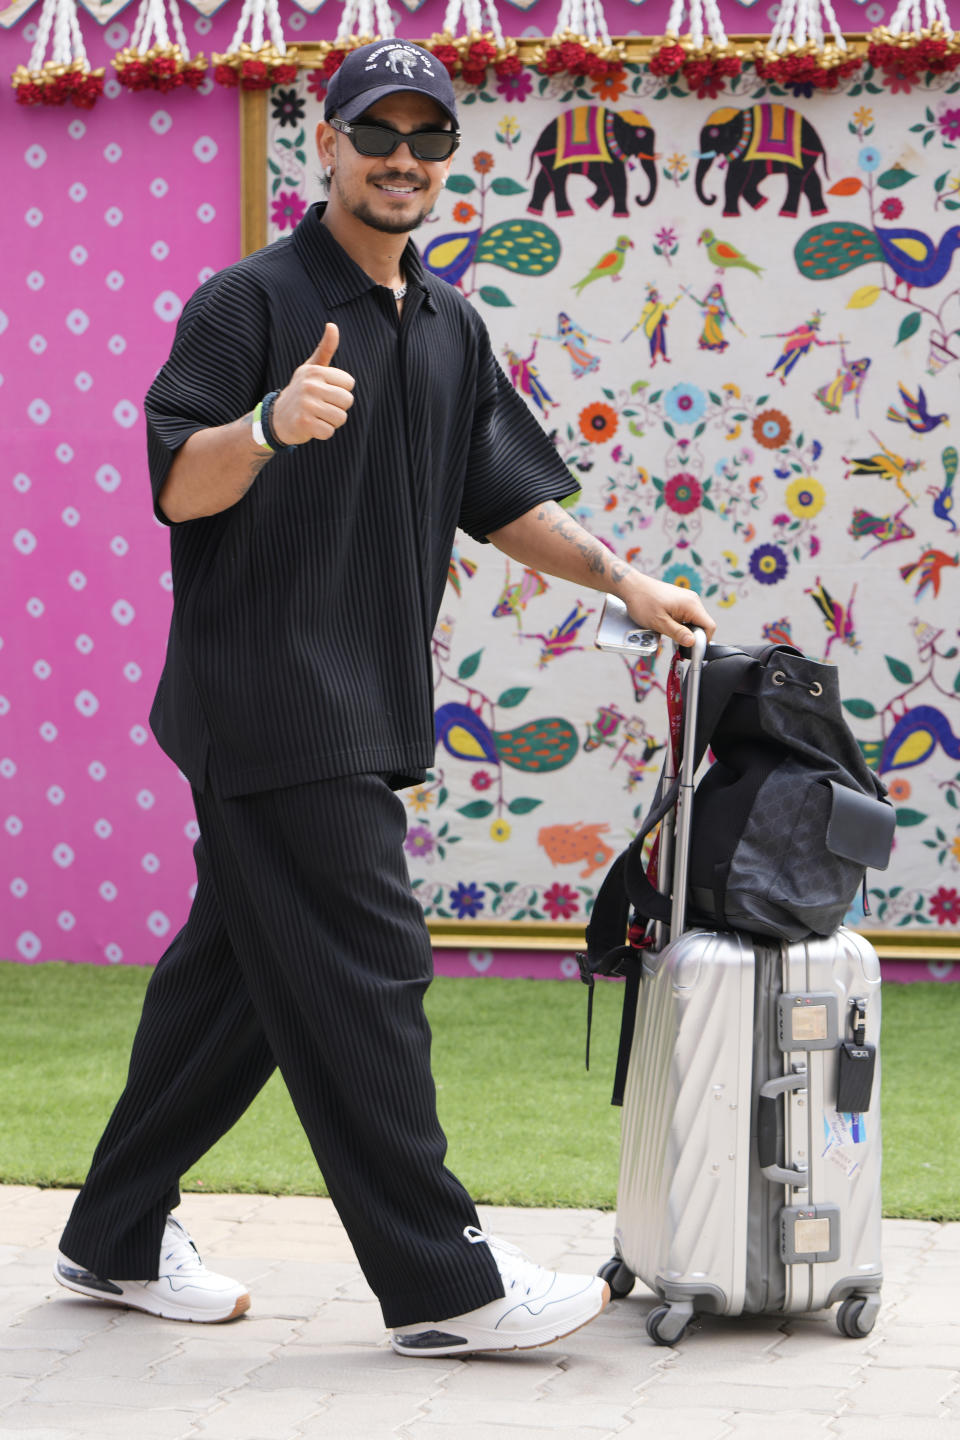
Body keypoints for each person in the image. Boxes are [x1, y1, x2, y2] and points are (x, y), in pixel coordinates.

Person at [53, 40, 716, 1357]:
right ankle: (443, 1285)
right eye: (378, 135)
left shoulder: (450, 322)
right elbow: (180, 482)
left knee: (239, 983)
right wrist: (270, 425)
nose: (402, 159)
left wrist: (624, 581)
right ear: (329, 146)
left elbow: (501, 496)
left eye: (427, 139)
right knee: (368, 973)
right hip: (271, 701)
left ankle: (113, 1234)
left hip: (365, 695)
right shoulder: (246, 302)